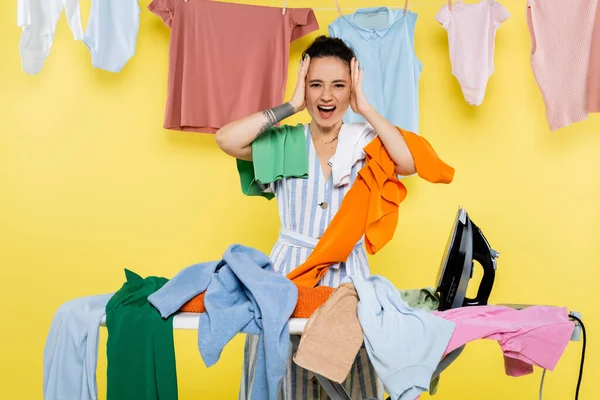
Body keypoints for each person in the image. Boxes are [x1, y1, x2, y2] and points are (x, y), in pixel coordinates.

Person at [216, 35, 416, 400]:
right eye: (316, 85)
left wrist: (366, 107)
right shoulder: (286, 142)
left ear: (351, 89)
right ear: (304, 88)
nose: (327, 96)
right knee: (283, 375)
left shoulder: (365, 143)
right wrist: (290, 106)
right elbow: (227, 139)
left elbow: (408, 162)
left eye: (339, 85)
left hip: (348, 283)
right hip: (289, 278)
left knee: (348, 380)